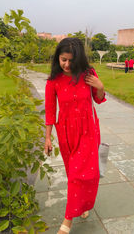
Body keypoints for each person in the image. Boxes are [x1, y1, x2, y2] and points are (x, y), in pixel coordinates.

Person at [44, 37, 106, 234]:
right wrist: (47, 137)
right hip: (66, 132)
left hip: (88, 130)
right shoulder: (53, 81)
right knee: (74, 173)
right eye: (63, 60)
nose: (67, 64)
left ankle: (67, 221)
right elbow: (50, 111)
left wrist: (100, 85)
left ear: (78, 59)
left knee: (82, 175)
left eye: (71, 60)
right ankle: (82, 205)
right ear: (58, 58)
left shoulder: (88, 74)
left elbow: (98, 99)